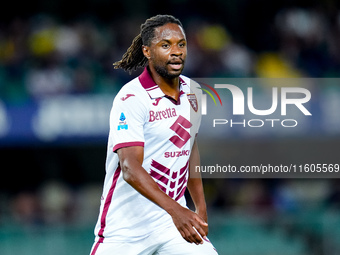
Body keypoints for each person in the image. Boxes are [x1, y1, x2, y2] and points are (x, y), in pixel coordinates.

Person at [90, 14, 218, 255]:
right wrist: (177, 211)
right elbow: (129, 168)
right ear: (147, 51)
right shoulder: (131, 98)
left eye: (181, 44)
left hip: (170, 226)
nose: (177, 51)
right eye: (166, 45)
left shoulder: (193, 92)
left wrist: (199, 207)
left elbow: (189, 148)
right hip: (124, 230)